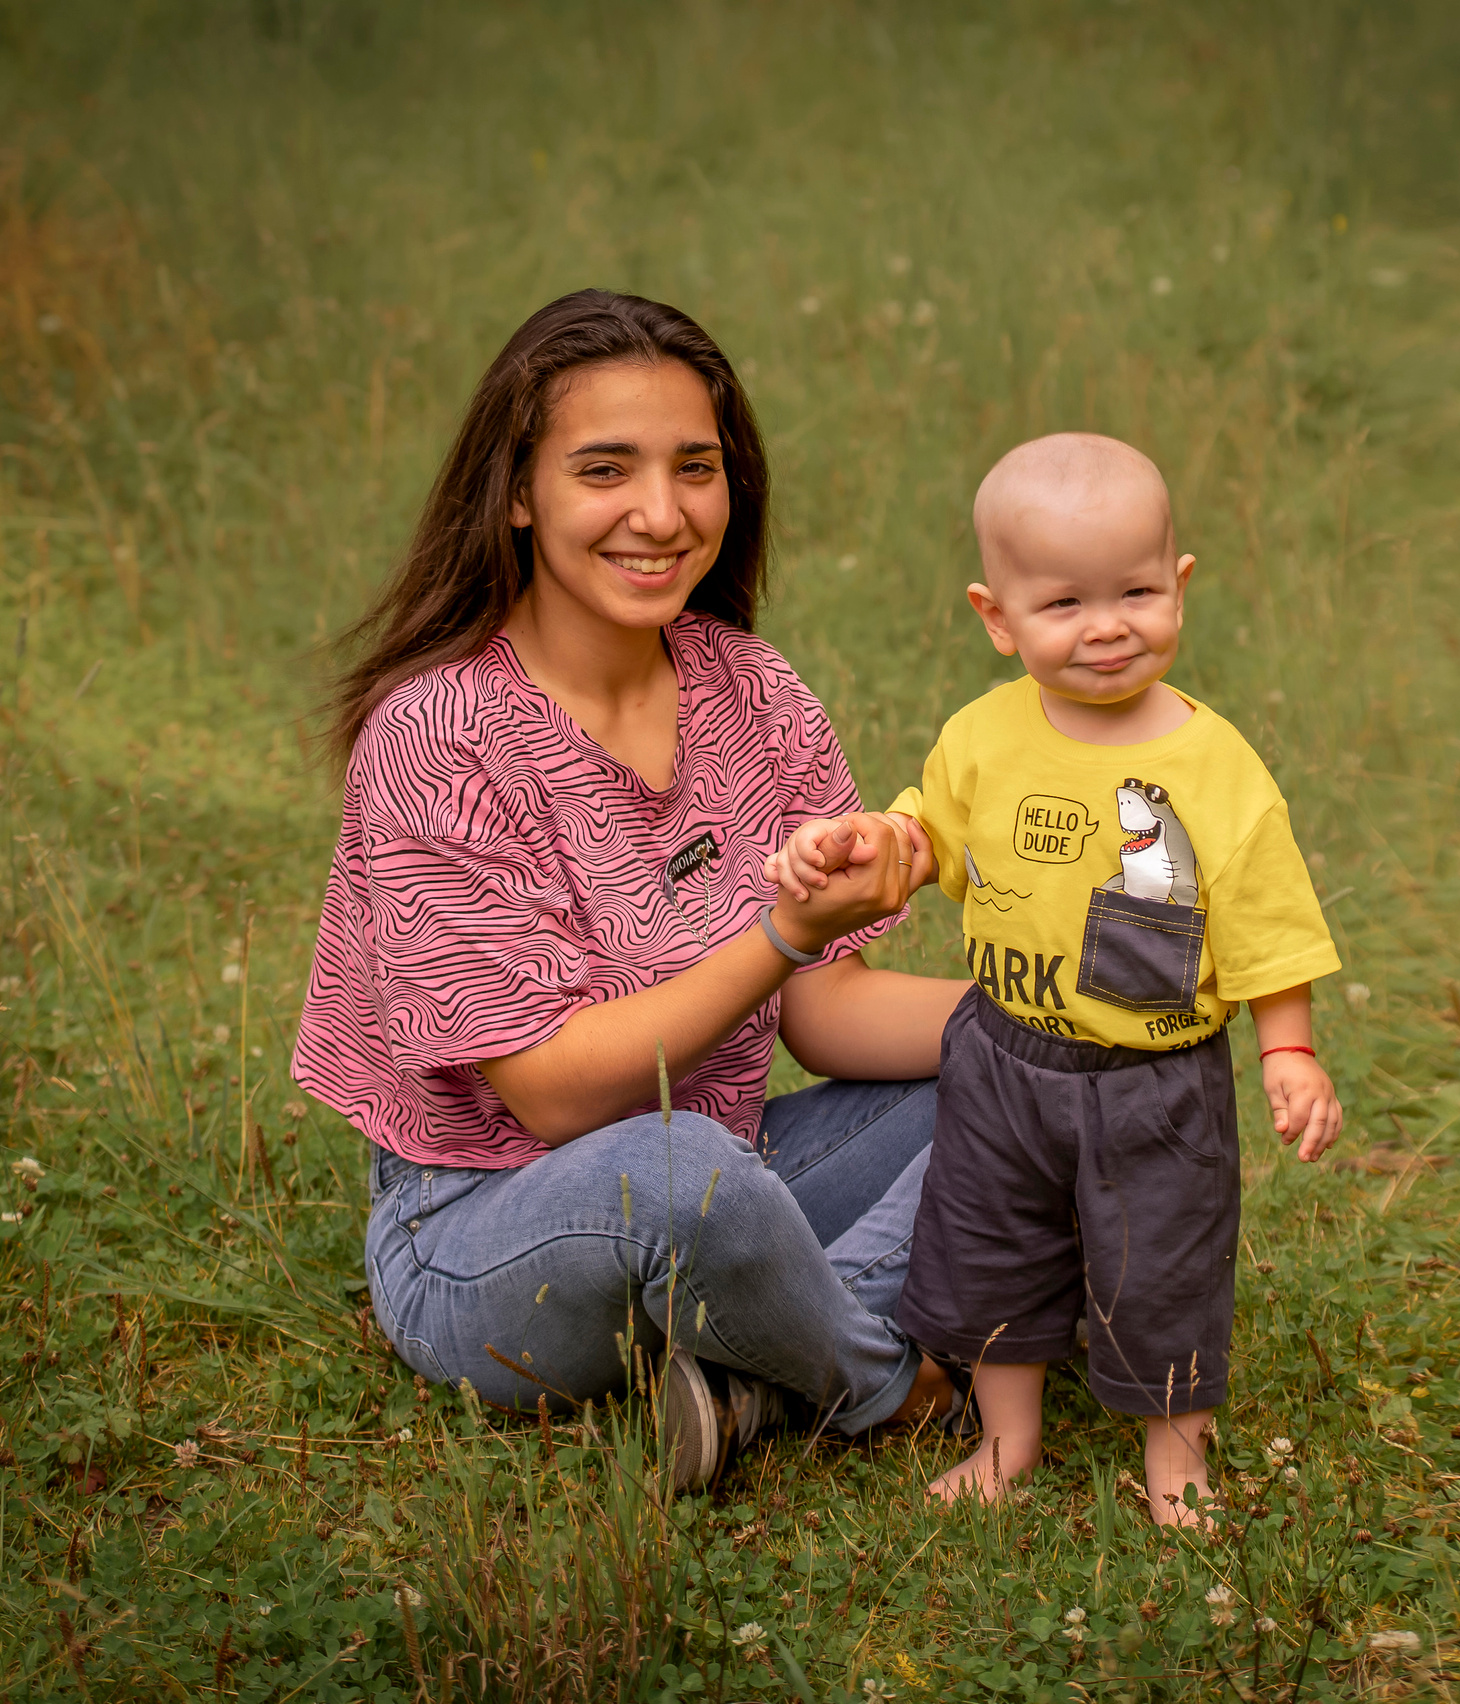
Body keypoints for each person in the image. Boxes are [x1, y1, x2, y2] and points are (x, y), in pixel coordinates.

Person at [291, 289, 965, 1489]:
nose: (660, 514)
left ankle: (758, 1374)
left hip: (732, 1167)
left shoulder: (752, 691)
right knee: (672, 1175)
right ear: (516, 492)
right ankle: (880, 1381)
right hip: (486, 1229)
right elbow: (553, 1100)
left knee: (1041, 1077)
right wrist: (776, 933)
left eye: (694, 468)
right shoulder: (438, 736)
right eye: (606, 469)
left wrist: (1045, 1014)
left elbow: (824, 1011)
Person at [768, 433, 1344, 1525]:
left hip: (1153, 1080)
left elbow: (1270, 922)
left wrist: (1289, 1048)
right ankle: (1006, 1443)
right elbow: (926, 832)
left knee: (1160, 1265)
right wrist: (867, 842)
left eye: (1133, 591)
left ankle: (1177, 1470)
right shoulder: (984, 736)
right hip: (1002, 1057)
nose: (1107, 625)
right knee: (992, 1251)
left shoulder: (1212, 766)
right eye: (1065, 603)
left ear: (1177, 586)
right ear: (998, 617)